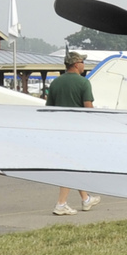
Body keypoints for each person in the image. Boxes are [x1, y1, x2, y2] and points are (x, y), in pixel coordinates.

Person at [47, 51, 101, 215]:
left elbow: (48, 109)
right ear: (76, 64)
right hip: (77, 131)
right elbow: (88, 109)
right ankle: (61, 204)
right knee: (71, 166)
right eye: (82, 62)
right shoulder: (83, 83)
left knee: (76, 164)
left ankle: (86, 199)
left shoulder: (55, 83)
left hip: (59, 131)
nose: (84, 65)